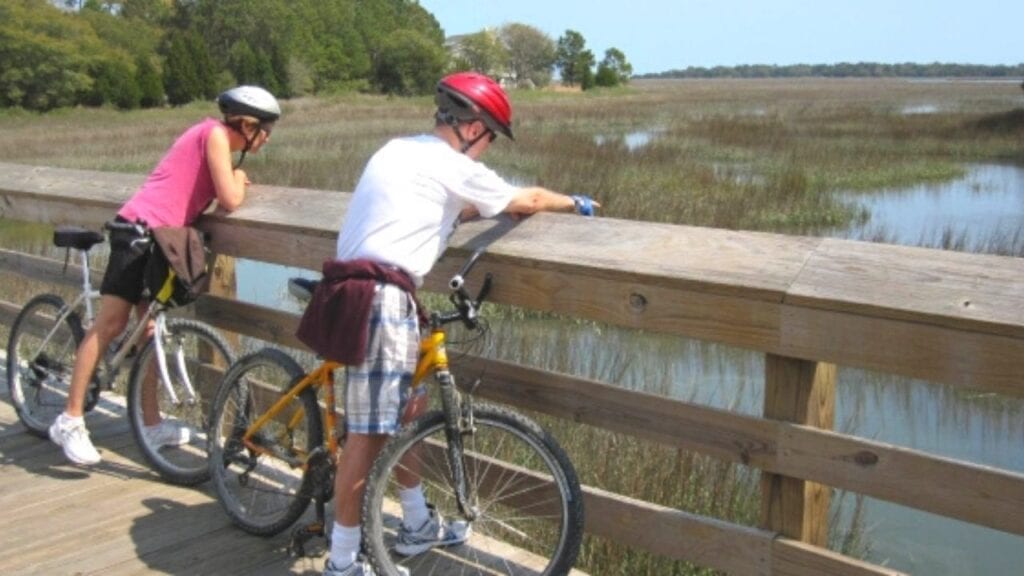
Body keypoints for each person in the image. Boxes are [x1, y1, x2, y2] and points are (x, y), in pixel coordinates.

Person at [308, 72, 598, 576]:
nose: (484, 151)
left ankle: (417, 522)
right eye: (489, 139)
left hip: (358, 292)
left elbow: (447, 207)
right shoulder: (447, 161)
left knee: (410, 412)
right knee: (369, 437)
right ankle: (341, 560)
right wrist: (575, 202)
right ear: (472, 127)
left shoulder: (400, 150)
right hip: (380, 299)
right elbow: (525, 200)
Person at [48, 85, 282, 466]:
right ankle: (70, 419)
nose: (267, 138)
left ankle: (151, 424)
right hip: (138, 231)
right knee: (109, 324)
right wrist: (239, 179)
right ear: (248, 123)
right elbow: (230, 198)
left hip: (160, 237)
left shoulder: (213, 136)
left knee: (150, 330)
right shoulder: (216, 135)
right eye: (265, 130)